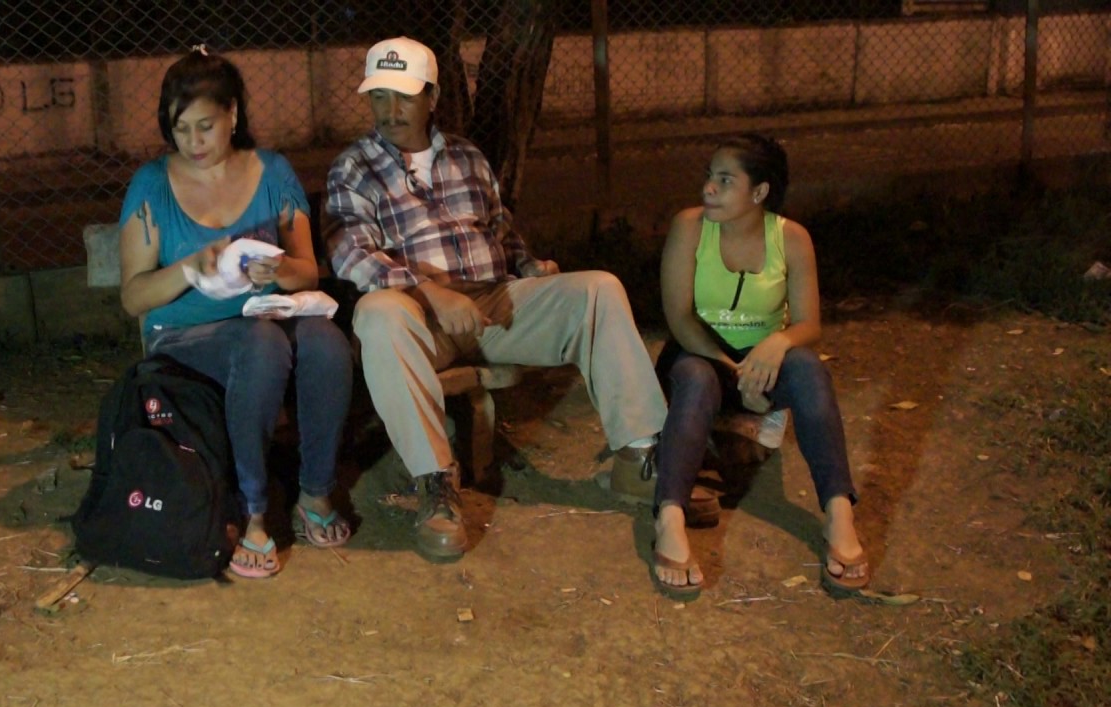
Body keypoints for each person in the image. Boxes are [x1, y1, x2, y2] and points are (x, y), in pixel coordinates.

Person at [325, 36, 672, 561]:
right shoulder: (354, 167)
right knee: (376, 313)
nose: (390, 110)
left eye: (404, 95)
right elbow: (350, 253)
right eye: (379, 96)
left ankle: (639, 457)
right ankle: (436, 485)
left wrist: (531, 267)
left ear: (431, 96)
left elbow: (500, 232)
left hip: (493, 304)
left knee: (598, 288)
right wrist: (431, 293)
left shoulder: (466, 156)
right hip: (418, 317)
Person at [117, 46, 354, 579]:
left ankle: (315, 491)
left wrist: (278, 269)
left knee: (326, 342)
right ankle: (251, 511)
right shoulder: (153, 184)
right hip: (183, 336)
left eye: (205, 126)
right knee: (260, 343)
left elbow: (307, 272)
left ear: (233, 114)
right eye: (181, 129)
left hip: (265, 315)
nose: (194, 142)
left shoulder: (272, 172)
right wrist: (189, 268)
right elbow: (133, 298)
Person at [654, 133, 869, 600]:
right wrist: (736, 370)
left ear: (760, 191)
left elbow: (809, 324)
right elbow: (680, 319)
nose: (709, 188)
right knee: (694, 378)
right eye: (708, 176)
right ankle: (669, 516)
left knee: (809, 370)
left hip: (762, 364)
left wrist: (778, 343)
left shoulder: (790, 238)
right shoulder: (690, 227)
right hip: (700, 355)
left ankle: (839, 513)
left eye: (725, 180)